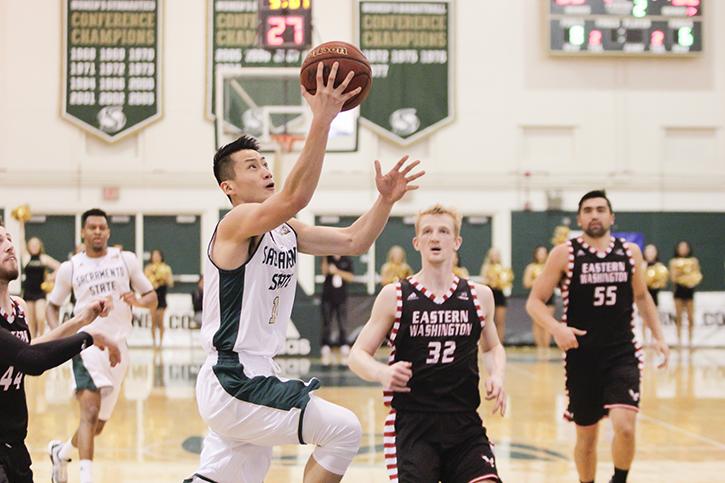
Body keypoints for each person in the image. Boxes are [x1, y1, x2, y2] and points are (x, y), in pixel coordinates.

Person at [185, 61, 425, 483]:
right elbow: (295, 197)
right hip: (233, 376)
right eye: (252, 167)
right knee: (342, 430)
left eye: (265, 162)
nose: (265, 170)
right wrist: (323, 118)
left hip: (256, 371)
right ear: (229, 187)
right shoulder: (235, 225)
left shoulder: (286, 230)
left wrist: (384, 201)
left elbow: (354, 242)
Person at [348, 204, 506, 483]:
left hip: (464, 422)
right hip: (414, 424)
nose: (435, 237)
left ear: (456, 242)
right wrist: (381, 372)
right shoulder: (394, 295)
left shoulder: (480, 295)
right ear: (417, 242)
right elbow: (357, 354)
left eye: (443, 231)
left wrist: (497, 375)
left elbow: (492, 347)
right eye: (427, 231)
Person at [526, 190, 670, 483]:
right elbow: (534, 301)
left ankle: (619, 479)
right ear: (579, 218)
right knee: (587, 438)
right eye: (588, 210)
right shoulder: (564, 253)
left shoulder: (630, 252)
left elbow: (642, 297)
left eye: (600, 209)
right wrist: (557, 328)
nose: (594, 214)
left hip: (622, 352)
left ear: (611, 217)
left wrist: (659, 336)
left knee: (625, 425)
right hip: (582, 356)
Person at [0, 222, 121, 483]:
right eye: (0, 242)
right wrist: (86, 337)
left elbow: (29, 349)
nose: (9, 245)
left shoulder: (18, 307)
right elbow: (32, 362)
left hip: (15, 445)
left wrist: (80, 321)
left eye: (9, 238)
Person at [46, 208, 158, 483]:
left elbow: (152, 296)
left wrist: (139, 302)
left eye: (102, 227)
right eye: (92, 227)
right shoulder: (71, 267)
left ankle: (61, 453)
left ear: (108, 232)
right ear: (83, 232)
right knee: (90, 411)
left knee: (96, 426)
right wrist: (60, 336)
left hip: (119, 349)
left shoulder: (126, 260)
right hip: (86, 344)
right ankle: (86, 478)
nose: (97, 231)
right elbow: (53, 306)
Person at [21, 236, 60, 337]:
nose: (34, 246)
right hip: (28, 292)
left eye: (36, 244)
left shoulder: (44, 258)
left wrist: (51, 276)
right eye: (32, 244)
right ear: (28, 246)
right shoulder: (26, 257)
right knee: (31, 321)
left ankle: (41, 337)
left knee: (41, 318)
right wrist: (21, 223)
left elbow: (60, 266)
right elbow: (21, 240)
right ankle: (33, 340)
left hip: (40, 293)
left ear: (40, 246)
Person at [669, 240, 702, 347]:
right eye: (681, 247)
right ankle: (678, 341)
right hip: (678, 291)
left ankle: (690, 341)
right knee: (678, 317)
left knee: (690, 317)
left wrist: (687, 278)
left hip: (689, 292)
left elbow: (697, 276)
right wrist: (684, 276)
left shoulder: (693, 261)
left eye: (685, 247)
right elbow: (673, 278)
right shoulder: (673, 262)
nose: (683, 249)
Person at [320, 255, 354, 358]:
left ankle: (343, 343)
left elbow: (350, 277)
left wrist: (336, 271)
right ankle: (326, 343)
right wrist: (325, 256)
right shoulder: (327, 258)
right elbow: (324, 271)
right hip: (327, 296)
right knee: (327, 321)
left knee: (342, 321)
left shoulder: (346, 260)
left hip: (341, 296)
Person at [523, 245, 553, 353]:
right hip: (536, 296)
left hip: (549, 296)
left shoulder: (550, 266)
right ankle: (540, 347)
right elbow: (526, 283)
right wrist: (537, 281)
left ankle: (547, 346)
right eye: (539, 253)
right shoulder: (531, 267)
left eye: (544, 253)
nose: (542, 255)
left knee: (548, 321)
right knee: (537, 322)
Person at [480, 247, 513, 343]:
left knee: (500, 321)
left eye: (497, 255)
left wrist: (502, 282)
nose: (495, 257)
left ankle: (499, 342)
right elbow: (483, 280)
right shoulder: (486, 267)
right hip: (489, 294)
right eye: (493, 254)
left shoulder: (503, 268)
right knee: (486, 321)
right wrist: (490, 281)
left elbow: (507, 280)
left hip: (499, 294)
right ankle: (486, 343)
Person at [144, 249, 174, 348]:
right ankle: (154, 343)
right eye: (154, 255)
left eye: (158, 255)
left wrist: (164, 278)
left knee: (160, 321)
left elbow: (170, 282)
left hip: (161, 295)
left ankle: (160, 343)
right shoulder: (148, 268)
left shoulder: (166, 268)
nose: (156, 257)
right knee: (153, 321)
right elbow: (145, 281)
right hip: (153, 295)